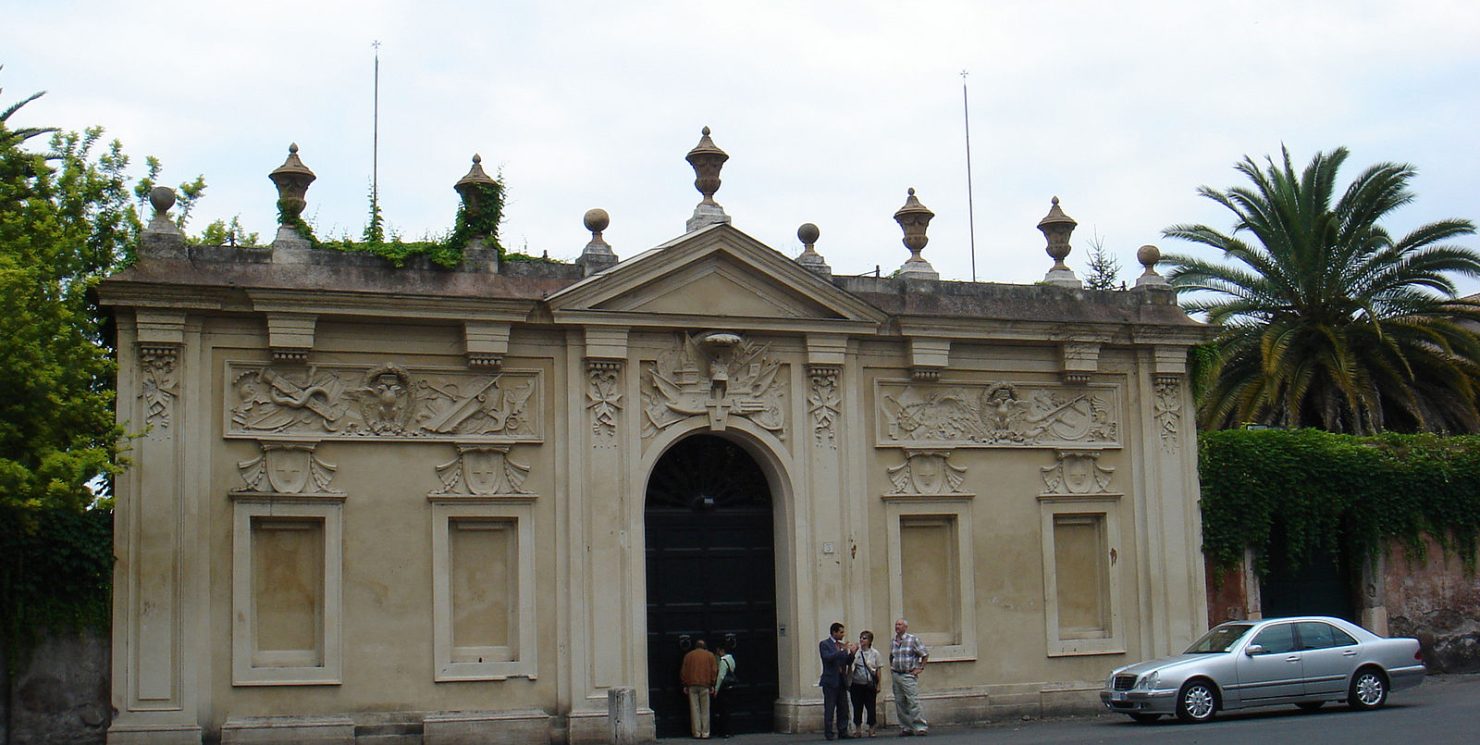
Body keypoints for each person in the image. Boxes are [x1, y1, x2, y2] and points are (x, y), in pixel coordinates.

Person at [889, 618, 928, 736]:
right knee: (900, 702)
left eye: (900, 625)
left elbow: (924, 654)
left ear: (905, 627)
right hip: (896, 674)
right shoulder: (893, 641)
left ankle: (920, 726)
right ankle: (906, 727)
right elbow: (891, 656)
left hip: (908, 674)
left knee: (913, 701)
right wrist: (892, 667)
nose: (897, 627)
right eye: (896, 624)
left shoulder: (913, 640)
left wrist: (920, 668)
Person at [818, 622, 857, 740]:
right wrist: (841, 651)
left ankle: (843, 731)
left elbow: (847, 662)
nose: (843, 634)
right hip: (830, 680)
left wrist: (852, 654)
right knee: (830, 707)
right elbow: (827, 658)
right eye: (841, 632)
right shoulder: (824, 644)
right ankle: (829, 732)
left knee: (843, 707)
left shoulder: (841, 645)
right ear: (834, 632)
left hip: (841, 680)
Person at [680, 639, 718, 739]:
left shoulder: (688, 656)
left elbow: (684, 671)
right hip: (705, 685)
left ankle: (696, 732)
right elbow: (714, 671)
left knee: (694, 710)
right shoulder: (710, 655)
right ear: (704, 646)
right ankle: (705, 732)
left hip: (692, 684)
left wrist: (685, 684)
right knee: (705, 710)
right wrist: (712, 684)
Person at [848, 630, 882, 737]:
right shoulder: (856, 653)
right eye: (861, 637)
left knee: (871, 707)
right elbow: (850, 666)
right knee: (857, 707)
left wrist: (879, 684)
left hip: (869, 684)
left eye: (865, 638)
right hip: (857, 684)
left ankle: (872, 729)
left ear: (870, 641)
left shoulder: (875, 653)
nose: (862, 640)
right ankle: (858, 729)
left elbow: (878, 669)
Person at [712, 641, 737, 739]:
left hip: (723, 689)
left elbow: (721, 677)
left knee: (723, 711)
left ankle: (724, 731)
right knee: (728, 710)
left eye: (718, 650)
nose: (717, 652)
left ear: (722, 650)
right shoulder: (731, 659)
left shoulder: (723, 661)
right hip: (730, 688)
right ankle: (730, 730)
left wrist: (716, 690)